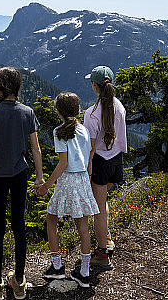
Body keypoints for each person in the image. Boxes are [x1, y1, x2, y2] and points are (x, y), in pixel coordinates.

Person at [0, 67, 44, 300]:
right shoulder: (27, 113)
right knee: (19, 225)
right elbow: (35, 148)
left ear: (1, 88)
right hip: (20, 174)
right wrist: (39, 176)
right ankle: (18, 281)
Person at [36, 92, 99, 288]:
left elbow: (63, 163)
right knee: (83, 226)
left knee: (51, 219)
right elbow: (90, 157)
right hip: (82, 178)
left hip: (67, 180)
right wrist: (87, 178)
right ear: (78, 110)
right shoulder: (84, 130)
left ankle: (57, 267)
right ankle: (84, 273)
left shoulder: (59, 131)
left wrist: (47, 185)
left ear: (58, 111)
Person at [84, 65, 127, 270]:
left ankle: (103, 253)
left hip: (100, 162)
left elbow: (91, 148)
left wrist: (88, 171)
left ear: (95, 86)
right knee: (103, 202)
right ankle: (107, 236)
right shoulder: (119, 106)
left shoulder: (91, 114)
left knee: (98, 209)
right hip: (116, 160)